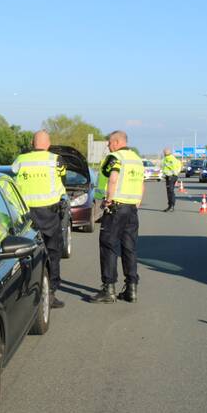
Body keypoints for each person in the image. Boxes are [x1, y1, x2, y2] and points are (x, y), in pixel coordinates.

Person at [11, 130, 67, 309]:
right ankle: (50, 294)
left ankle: (25, 294)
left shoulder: (20, 160)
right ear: (48, 143)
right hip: (50, 214)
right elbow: (62, 178)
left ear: (32, 143)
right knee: (53, 253)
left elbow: (13, 178)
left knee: (26, 255)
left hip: (26, 216)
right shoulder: (55, 160)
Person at [90, 130, 145, 304]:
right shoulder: (136, 159)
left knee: (108, 247)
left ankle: (109, 289)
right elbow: (142, 184)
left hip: (115, 208)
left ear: (116, 142)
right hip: (131, 209)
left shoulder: (115, 157)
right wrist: (136, 203)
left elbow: (113, 179)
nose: (107, 145)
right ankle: (131, 289)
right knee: (129, 248)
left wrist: (108, 200)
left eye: (109, 143)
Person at [161, 147, 182, 212]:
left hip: (170, 177)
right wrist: (176, 173)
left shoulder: (167, 159)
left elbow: (165, 167)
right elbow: (179, 166)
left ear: (165, 153)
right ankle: (171, 205)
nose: (163, 153)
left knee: (170, 191)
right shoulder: (174, 159)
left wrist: (168, 174)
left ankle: (171, 205)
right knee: (171, 191)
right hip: (174, 176)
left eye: (164, 152)